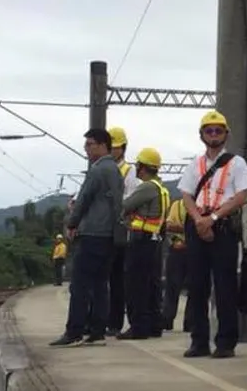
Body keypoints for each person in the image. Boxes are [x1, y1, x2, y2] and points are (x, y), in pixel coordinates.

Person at [178, 110, 247, 358]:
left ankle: (225, 342)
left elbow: (241, 196)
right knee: (197, 286)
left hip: (223, 227)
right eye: (209, 130)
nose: (214, 135)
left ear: (226, 134)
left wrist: (212, 219)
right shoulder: (195, 164)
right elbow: (187, 195)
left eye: (218, 130)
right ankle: (198, 341)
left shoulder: (237, 163)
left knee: (225, 286)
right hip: (198, 224)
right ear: (202, 135)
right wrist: (199, 220)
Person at [50, 127, 125, 348]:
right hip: (110, 234)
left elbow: (83, 199)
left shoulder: (98, 169)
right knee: (101, 284)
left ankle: (74, 330)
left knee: (80, 284)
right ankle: (97, 331)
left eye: (90, 144)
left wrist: (71, 223)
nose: (86, 149)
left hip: (92, 232)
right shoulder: (115, 170)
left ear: (103, 145)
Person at [119, 147, 170, 340]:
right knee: (152, 285)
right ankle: (154, 325)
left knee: (136, 284)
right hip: (155, 241)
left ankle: (138, 326)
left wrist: (126, 211)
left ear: (142, 167)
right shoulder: (162, 188)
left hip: (141, 240)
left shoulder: (147, 187)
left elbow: (125, 205)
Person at [107, 126, 136, 336]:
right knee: (102, 278)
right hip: (102, 227)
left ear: (123, 148)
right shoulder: (100, 167)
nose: (112, 151)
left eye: (115, 147)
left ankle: (114, 322)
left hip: (118, 229)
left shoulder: (129, 170)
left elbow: (129, 197)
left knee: (117, 279)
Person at [162, 197, 193, 332]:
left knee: (195, 289)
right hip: (178, 248)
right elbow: (169, 225)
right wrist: (190, 229)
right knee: (172, 287)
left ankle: (190, 322)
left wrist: (182, 228)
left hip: (195, 251)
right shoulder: (178, 205)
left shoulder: (203, 205)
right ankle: (167, 320)